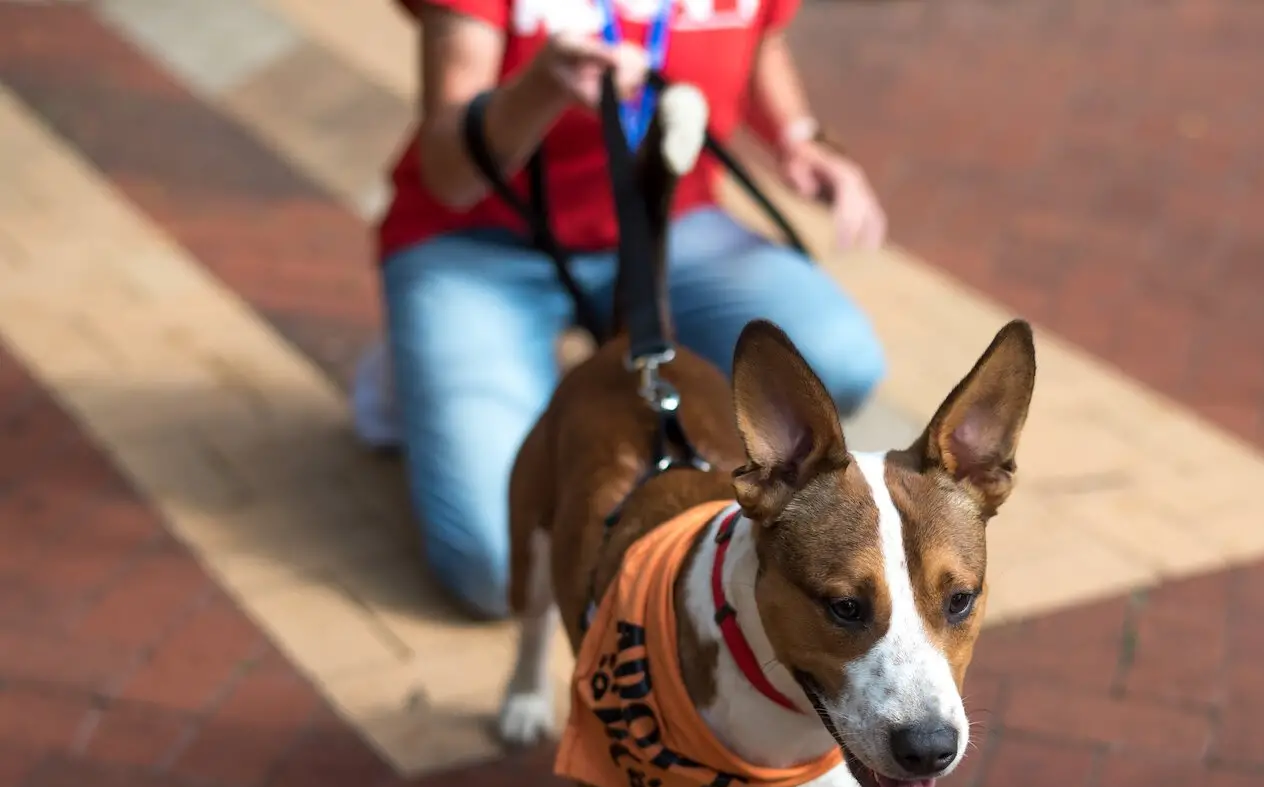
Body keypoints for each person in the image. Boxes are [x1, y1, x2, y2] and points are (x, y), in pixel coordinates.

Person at [354, 0, 890, 620]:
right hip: (480, 245)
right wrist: (542, 85)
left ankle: (509, 378)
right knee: (500, 571)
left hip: (666, 223)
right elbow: (449, 172)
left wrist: (798, 136)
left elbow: (761, 37)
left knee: (838, 362)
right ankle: (421, 366)